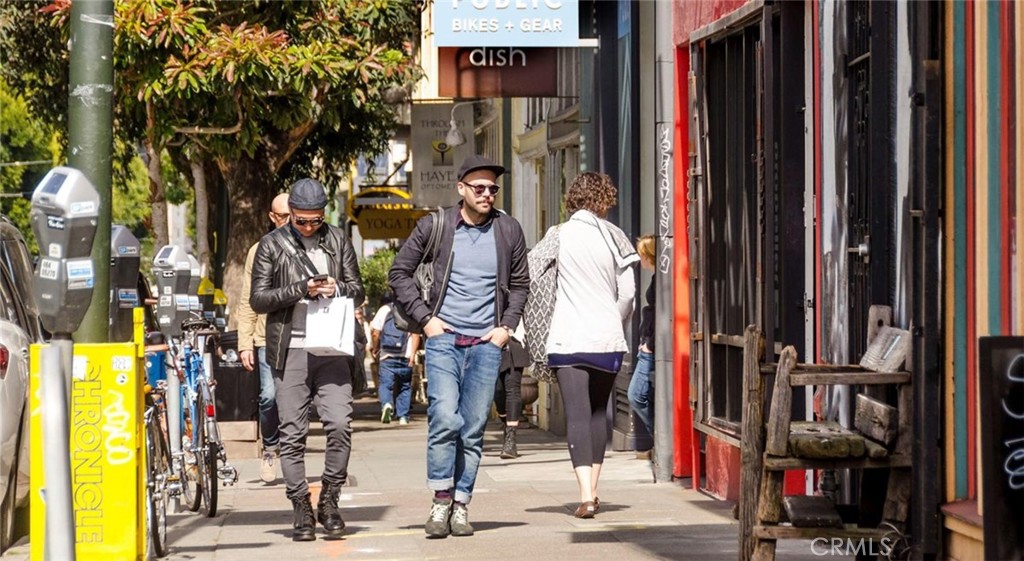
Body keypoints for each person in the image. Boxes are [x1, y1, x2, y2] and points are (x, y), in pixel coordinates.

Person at [388, 154, 529, 539]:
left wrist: (506, 328)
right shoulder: (435, 226)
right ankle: (440, 499)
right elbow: (398, 273)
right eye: (479, 188)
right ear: (461, 189)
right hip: (444, 340)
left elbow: (520, 284)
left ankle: (462, 504)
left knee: (472, 428)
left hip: (487, 343)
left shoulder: (508, 230)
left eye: (493, 189)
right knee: (445, 418)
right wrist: (426, 320)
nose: (487, 194)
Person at [250, 178, 364, 542]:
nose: (310, 227)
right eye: (302, 221)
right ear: (290, 216)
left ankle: (329, 499)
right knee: (292, 434)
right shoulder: (271, 245)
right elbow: (259, 299)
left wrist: (338, 288)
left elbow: (358, 289)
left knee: (340, 424)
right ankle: (300, 505)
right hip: (290, 348)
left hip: (331, 347)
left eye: (316, 220)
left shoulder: (338, 240)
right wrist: (302, 289)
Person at [545, 172, 639, 519]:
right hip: (606, 338)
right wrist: (615, 320)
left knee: (577, 414)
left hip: (568, 338)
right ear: (605, 199)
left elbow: (532, 272)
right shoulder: (615, 236)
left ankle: (584, 494)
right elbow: (628, 292)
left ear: (572, 198)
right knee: (600, 412)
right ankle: (594, 489)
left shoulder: (558, 235)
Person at [237, 193, 291, 484]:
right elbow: (247, 299)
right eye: (283, 217)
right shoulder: (257, 251)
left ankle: (292, 452)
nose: (289, 222)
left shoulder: (305, 245)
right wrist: (244, 342)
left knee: (295, 399)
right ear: (272, 218)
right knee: (269, 396)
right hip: (264, 338)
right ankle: (271, 448)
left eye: (293, 216)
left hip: (298, 337)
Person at [370, 290, 421, 425]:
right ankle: (403, 416)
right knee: (405, 386)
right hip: (406, 355)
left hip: (387, 354)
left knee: (386, 385)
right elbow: (416, 335)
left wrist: (375, 348)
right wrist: (413, 354)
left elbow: (375, 333)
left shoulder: (384, 310)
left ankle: (387, 404)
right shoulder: (411, 311)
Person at [627, 235, 656, 460]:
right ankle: (660, 442)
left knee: (636, 395)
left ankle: (660, 439)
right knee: (641, 395)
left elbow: (660, 315)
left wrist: (650, 345)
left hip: (650, 349)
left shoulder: (661, 280)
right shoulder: (658, 278)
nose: (639, 259)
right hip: (647, 345)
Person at [494, 321, 529, 459]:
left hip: (514, 340)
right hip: (490, 342)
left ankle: (511, 439)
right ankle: (505, 423)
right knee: (497, 391)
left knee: (513, 388)